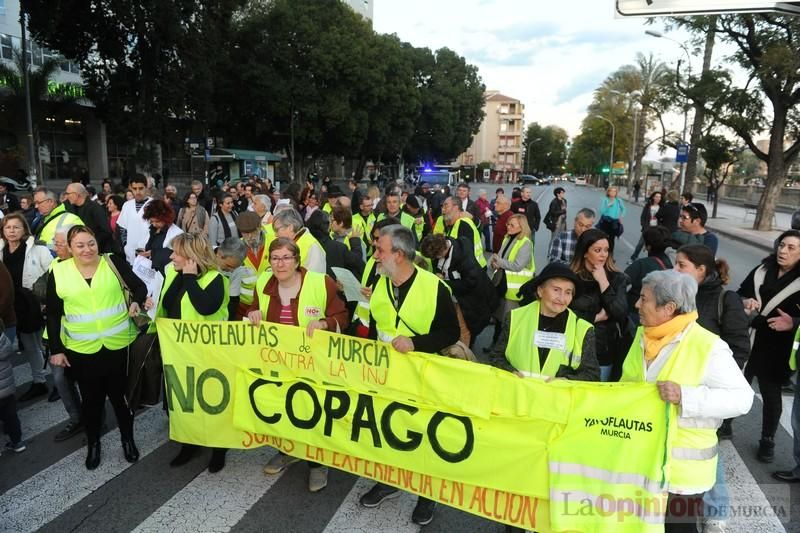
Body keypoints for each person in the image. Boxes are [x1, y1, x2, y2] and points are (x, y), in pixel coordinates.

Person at [621, 269, 753, 533]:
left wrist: (685, 396)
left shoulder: (708, 346)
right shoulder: (644, 335)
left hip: (682, 474)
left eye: (643, 299)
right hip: (640, 463)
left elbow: (743, 399)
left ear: (668, 307)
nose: (636, 304)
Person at [358, 224, 460, 526]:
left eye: (380, 250)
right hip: (386, 374)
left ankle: (426, 494)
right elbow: (370, 324)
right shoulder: (380, 283)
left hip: (424, 375)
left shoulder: (434, 287)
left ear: (399, 255)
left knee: (424, 432)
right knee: (390, 429)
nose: (375, 254)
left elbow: (451, 332)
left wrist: (416, 343)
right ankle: (390, 481)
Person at [247, 237, 348, 492]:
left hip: (312, 363)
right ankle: (287, 451)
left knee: (311, 412)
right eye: (275, 258)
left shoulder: (319, 282)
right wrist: (253, 314)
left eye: (286, 258)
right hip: (277, 362)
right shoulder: (263, 282)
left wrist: (325, 323)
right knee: (282, 409)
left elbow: (342, 315)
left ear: (297, 260)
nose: (280, 264)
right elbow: (252, 311)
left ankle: (317, 464)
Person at [47, 225, 145, 470]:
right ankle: (93, 445)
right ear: (70, 248)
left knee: (121, 400)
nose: (87, 249)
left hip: (118, 346)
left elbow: (139, 287)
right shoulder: (58, 272)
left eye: (91, 243)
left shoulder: (112, 263)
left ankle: (127, 440)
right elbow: (53, 315)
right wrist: (57, 350)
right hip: (82, 351)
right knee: (91, 403)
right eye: (80, 245)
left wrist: (136, 302)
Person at [673, 244, 751, 532]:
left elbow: (740, 346)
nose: (675, 269)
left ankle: (716, 511)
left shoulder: (724, 299)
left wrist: (717, 376)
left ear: (701, 270)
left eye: (681, 265)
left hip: (708, 391)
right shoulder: (678, 294)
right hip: (676, 388)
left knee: (707, 449)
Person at [146, 233, 230, 472]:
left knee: (211, 403)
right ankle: (190, 443)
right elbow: (168, 306)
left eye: (177, 253)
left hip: (207, 354)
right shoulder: (173, 273)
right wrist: (150, 308)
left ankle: (218, 448)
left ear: (192, 257)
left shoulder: (216, 279)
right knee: (183, 402)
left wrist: (191, 278)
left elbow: (205, 306)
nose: (171, 256)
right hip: (177, 352)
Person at [738, 229, 800, 463]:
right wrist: (745, 301)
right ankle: (725, 424)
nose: (783, 251)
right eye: (781, 245)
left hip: (778, 347)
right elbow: (738, 294)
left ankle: (768, 440)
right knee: (736, 384)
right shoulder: (762, 270)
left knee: (771, 395)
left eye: (791, 248)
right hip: (749, 338)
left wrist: (793, 322)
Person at [489, 262, 599, 382]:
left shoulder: (583, 330)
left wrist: (565, 380)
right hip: (520, 397)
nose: (562, 298)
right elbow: (496, 357)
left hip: (557, 399)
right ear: (540, 291)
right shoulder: (515, 318)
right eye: (556, 290)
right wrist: (510, 372)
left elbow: (592, 375)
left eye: (568, 292)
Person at [1, 214, 53, 401]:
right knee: (29, 345)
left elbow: (52, 272)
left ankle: (58, 382)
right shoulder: (1, 249)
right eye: (8, 227)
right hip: (12, 306)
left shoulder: (37, 248)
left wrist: (45, 300)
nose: (12, 231)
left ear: (24, 229)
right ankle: (39, 381)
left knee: (44, 343)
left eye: (16, 227)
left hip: (33, 303)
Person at [567, 228, 629, 381]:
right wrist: (593, 318)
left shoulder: (617, 278)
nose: (603, 254)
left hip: (602, 350)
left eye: (606, 250)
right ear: (585, 252)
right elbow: (561, 312)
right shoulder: (570, 277)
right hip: (570, 347)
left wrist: (603, 281)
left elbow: (620, 313)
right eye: (598, 250)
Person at [420, 233, 497, 347]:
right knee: (457, 324)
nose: (435, 260)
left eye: (436, 257)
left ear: (442, 251)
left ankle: (463, 357)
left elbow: (470, 282)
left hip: (471, 299)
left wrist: (444, 283)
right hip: (458, 296)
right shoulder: (444, 251)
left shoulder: (463, 257)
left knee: (464, 328)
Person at [487, 214, 535, 351]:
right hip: (502, 284)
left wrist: (499, 262)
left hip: (514, 290)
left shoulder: (526, 243)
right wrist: (495, 262)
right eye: (508, 224)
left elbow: (518, 265)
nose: (508, 227)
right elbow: (500, 257)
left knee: (508, 322)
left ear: (522, 227)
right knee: (498, 318)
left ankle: (503, 350)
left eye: (512, 225)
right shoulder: (508, 238)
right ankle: (494, 345)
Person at [624, 226, 673, 324]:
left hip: (635, 313)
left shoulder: (641, 264)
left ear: (648, 246)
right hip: (658, 315)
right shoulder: (670, 264)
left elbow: (620, 283)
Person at [272, 207, 326, 274]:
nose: (275, 235)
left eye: (277, 230)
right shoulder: (292, 243)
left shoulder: (312, 246)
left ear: (290, 228)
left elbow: (315, 279)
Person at [65, 183, 114, 253]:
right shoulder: (70, 208)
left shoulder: (95, 208)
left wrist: (90, 244)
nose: (67, 197)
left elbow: (106, 231)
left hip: (98, 252)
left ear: (76, 194)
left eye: (68, 194)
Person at [32, 187, 84, 254]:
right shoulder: (39, 219)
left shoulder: (72, 219)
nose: (36, 206)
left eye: (38, 203)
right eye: (35, 203)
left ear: (50, 202)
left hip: (61, 263)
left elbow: (81, 248)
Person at [0, 319, 26, 453]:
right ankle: (17, 442)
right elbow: (8, 350)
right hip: (7, 390)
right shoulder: (2, 339)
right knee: (11, 416)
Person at [117, 174, 153, 265]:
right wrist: (126, 245)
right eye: (134, 188)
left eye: (141, 188)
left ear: (146, 187)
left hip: (148, 253)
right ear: (131, 188)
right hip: (130, 254)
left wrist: (151, 248)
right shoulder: (127, 205)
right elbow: (122, 228)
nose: (137, 191)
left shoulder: (154, 204)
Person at [441, 196, 487, 268]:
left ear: (456, 208)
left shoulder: (463, 224)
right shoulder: (452, 223)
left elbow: (465, 254)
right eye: (442, 206)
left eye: (446, 206)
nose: (442, 209)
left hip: (473, 271)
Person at [141, 199, 183, 275]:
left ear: (165, 218)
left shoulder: (177, 233)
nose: (154, 224)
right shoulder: (152, 230)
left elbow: (178, 255)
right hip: (150, 272)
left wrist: (153, 253)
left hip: (166, 273)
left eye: (157, 221)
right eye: (151, 221)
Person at [216, 237, 248, 320]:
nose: (231, 271)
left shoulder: (237, 270)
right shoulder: (202, 258)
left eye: (235, 267)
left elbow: (233, 300)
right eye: (228, 266)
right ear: (219, 254)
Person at [630, 191, 662, 263]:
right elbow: (643, 216)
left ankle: (650, 261)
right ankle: (633, 257)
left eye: (659, 197)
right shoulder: (648, 206)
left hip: (656, 229)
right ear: (653, 197)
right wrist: (644, 225)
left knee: (652, 246)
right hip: (647, 228)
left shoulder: (662, 207)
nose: (658, 198)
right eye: (656, 196)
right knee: (640, 244)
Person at [596, 186, 625, 254]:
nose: (613, 192)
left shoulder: (618, 200)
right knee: (603, 238)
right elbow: (601, 211)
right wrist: (607, 206)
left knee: (611, 239)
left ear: (616, 193)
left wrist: (621, 216)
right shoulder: (605, 200)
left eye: (614, 191)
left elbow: (624, 209)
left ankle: (610, 255)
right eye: (611, 191)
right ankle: (602, 253)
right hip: (605, 221)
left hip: (614, 222)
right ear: (608, 192)